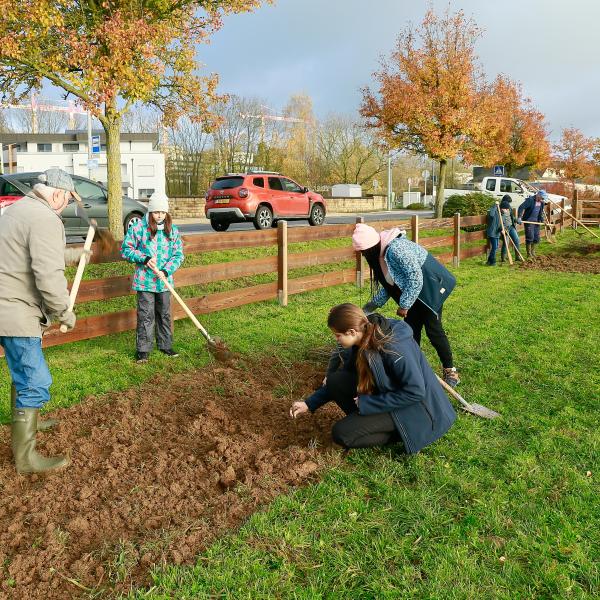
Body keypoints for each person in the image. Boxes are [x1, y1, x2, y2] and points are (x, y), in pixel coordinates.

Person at [289, 303, 456, 452]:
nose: (336, 339)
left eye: (338, 335)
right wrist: (309, 403)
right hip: (388, 394)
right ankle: (368, 422)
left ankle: (400, 433)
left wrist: (369, 403)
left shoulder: (395, 348)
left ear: (352, 331)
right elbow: (346, 375)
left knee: (341, 434)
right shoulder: (362, 340)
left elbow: (415, 392)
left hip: (415, 411)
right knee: (336, 380)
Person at [0, 168, 77, 473]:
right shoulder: (46, 218)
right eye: (68, 200)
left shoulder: (15, 210)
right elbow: (47, 276)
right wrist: (64, 312)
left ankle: (28, 419)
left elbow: (20, 253)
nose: (66, 207)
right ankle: (26, 459)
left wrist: (70, 255)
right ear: (57, 193)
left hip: (5, 304)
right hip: (14, 308)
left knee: (22, 370)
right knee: (35, 380)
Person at [352, 223, 460, 387]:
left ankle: (450, 370)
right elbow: (391, 285)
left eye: (364, 252)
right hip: (414, 294)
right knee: (410, 331)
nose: (364, 255)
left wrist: (404, 305)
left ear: (371, 247)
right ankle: (413, 368)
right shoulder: (381, 255)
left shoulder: (396, 250)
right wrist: (368, 308)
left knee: (434, 330)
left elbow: (416, 278)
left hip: (431, 289)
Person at [121, 191, 184, 363]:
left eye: (163, 212)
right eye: (156, 212)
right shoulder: (138, 228)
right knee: (146, 315)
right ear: (150, 211)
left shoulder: (173, 231)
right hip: (145, 281)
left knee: (164, 313)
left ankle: (165, 345)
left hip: (164, 282)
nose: (159, 216)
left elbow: (178, 255)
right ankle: (143, 350)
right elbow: (126, 250)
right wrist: (144, 258)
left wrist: (166, 271)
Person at [486, 195, 522, 265]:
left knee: (516, 240)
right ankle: (502, 258)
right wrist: (502, 229)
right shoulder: (498, 212)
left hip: (510, 227)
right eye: (508, 203)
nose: (508, 209)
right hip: (502, 229)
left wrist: (516, 220)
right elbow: (494, 218)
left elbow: (511, 216)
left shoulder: (508, 207)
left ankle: (517, 257)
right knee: (505, 243)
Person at [518, 189, 547, 259]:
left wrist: (542, 220)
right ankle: (528, 253)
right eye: (542, 198)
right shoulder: (530, 200)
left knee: (536, 238)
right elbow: (521, 207)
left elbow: (540, 213)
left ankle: (533, 252)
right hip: (529, 221)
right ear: (538, 195)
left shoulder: (542, 203)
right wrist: (519, 217)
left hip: (536, 222)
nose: (543, 200)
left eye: (543, 198)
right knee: (530, 237)